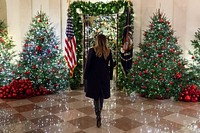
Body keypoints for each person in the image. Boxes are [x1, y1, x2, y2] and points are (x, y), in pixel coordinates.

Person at [84, 34, 113, 128]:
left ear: (97, 40)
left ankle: (98, 115)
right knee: (102, 95)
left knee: (96, 96)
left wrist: (85, 76)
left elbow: (88, 64)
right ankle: (99, 112)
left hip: (94, 76)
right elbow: (111, 65)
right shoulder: (108, 51)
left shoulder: (92, 50)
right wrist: (110, 76)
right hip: (104, 76)